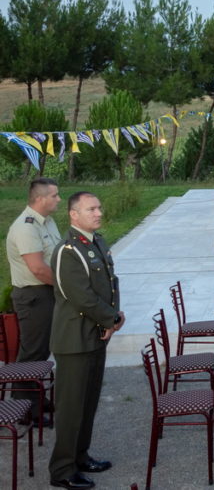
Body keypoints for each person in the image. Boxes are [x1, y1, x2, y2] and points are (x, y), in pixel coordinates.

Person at [49, 192, 125, 490]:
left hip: (95, 334)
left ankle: (81, 457)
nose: (98, 213)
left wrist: (112, 317)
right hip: (74, 340)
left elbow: (110, 283)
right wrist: (111, 319)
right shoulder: (68, 251)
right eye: (91, 209)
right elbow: (80, 296)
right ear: (73, 214)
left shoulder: (96, 242)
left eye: (99, 207)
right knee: (70, 407)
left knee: (88, 402)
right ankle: (62, 470)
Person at [5, 177, 60, 419]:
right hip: (34, 295)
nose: (59, 199)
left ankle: (34, 396)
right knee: (33, 350)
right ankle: (25, 405)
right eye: (54, 195)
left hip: (45, 291)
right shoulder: (26, 227)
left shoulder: (46, 222)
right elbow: (38, 268)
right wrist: (66, 286)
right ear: (39, 199)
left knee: (43, 346)